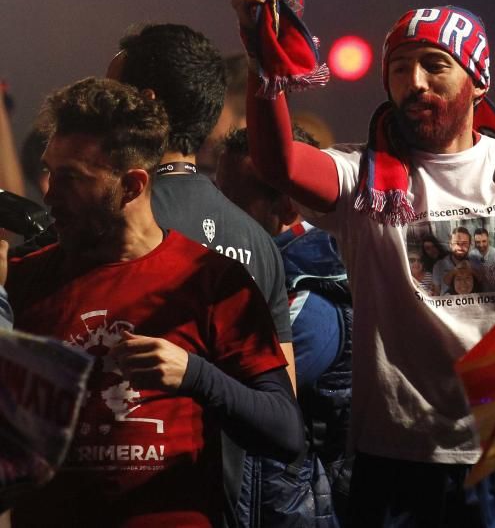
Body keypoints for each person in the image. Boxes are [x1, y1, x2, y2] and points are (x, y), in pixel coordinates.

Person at [231, 0, 495, 526]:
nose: (414, 83)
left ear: (478, 79)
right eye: (400, 69)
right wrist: (263, 52)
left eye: (435, 65)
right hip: (398, 461)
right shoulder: (365, 178)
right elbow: (277, 162)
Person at [2, 77, 302, 527]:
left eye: (71, 179)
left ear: (131, 185)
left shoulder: (210, 280)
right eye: (49, 171)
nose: (48, 195)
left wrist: (196, 375)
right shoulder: (25, 279)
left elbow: (285, 431)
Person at [106, 23, 297, 522]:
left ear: (143, 101)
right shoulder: (258, 241)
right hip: (224, 507)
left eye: (110, 94)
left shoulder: (109, 223)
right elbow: (281, 403)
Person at [217, 126, 353, 526]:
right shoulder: (266, 270)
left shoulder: (312, 296)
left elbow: (243, 391)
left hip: (291, 508)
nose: (215, 213)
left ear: (290, 207)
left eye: (231, 201)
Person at [431, 226, 473, 295]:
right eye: (457, 243)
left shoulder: (476, 263)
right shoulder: (439, 265)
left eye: (464, 243)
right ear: (450, 245)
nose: (460, 247)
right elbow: (436, 293)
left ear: (470, 245)